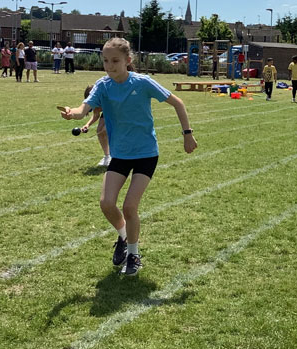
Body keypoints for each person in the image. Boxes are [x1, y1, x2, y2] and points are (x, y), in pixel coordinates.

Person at [59, 37, 197, 277]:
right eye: (105, 61)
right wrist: (74, 113)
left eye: (115, 61)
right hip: (121, 155)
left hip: (145, 153)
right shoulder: (102, 86)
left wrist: (187, 134)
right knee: (106, 203)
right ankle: (123, 237)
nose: (109, 66)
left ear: (127, 61)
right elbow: (85, 109)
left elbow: (178, 103)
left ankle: (133, 254)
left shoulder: (142, 83)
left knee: (130, 206)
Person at [83, 84, 112, 167]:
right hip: (107, 112)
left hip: (118, 111)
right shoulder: (93, 102)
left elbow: (116, 113)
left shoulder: (108, 99)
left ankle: (117, 156)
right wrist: (87, 125)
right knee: (99, 131)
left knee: (107, 130)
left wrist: (108, 126)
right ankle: (107, 156)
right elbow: (96, 115)